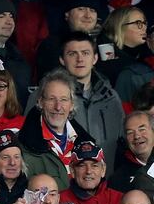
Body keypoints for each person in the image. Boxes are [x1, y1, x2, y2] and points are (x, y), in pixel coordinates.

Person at [30, 32, 124, 176]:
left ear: (95, 58)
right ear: (62, 59)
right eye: (72, 54)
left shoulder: (111, 97)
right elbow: (29, 144)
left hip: (106, 183)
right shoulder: (42, 95)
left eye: (85, 53)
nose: (80, 59)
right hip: (61, 186)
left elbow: (122, 143)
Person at [18, 68, 93, 190]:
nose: (58, 107)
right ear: (40, 102)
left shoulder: (88, 144)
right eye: (51, 99)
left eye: (63, 100)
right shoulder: (21, 147)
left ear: (72, 105)